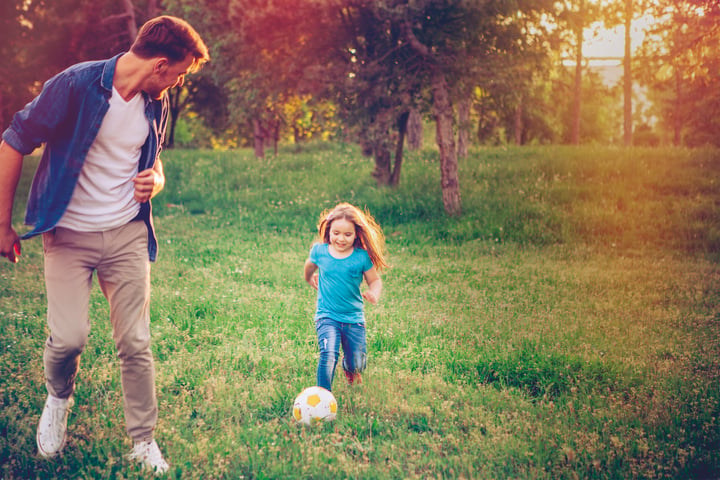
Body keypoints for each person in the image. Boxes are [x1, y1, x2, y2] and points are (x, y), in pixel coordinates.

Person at [0, 16, 209, 474]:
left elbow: (155, 164)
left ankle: (143, 441)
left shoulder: (157, 102)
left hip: (126, 234)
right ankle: (58, 400)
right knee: (69, 339)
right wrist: (3, 225)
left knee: (135, 340)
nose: (178, 81)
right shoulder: (75, 85)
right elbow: (14, 140)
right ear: (159, 65)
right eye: (179, 72)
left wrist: (155, 180)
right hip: (68, 234)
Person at [303, 203, 389, 391]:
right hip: (327, 315)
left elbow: (375, 281)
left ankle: (350, 369)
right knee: (328, 354)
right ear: (329, 230)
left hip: (353, 318)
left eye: (347, 235)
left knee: (357, 362)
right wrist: (310, 278)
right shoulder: (320, 252)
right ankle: (322, 394)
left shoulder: (361, 257)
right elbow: (309, 266)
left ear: (357, 234)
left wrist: (374, 293)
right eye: (336, 233)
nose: (341, 239)